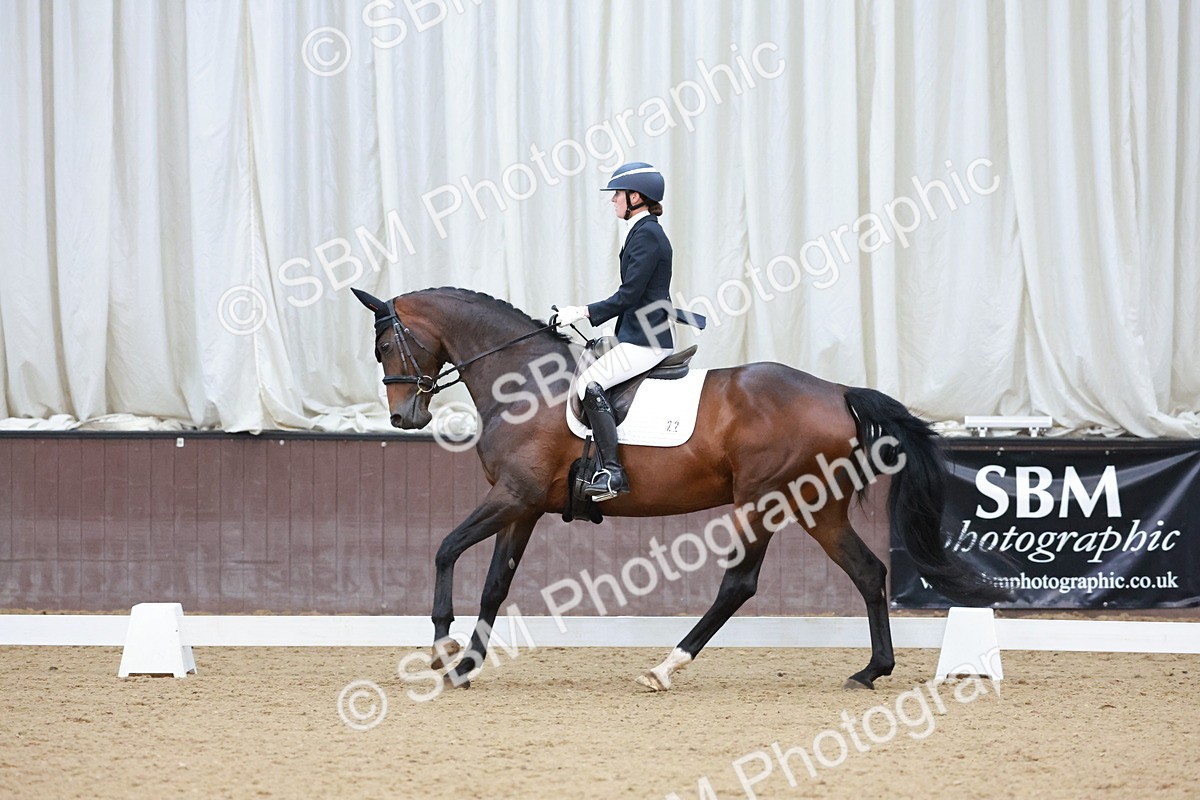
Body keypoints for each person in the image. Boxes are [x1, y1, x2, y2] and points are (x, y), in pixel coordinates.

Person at [554, 161, 675, 501]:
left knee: (589, 385)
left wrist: (581, 312)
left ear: (635, 197)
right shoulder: (641, 231)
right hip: (638, 333)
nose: (613, 201)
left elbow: (630, 295)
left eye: (617, 195)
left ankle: (613, 473)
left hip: (646, 339)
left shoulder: (647, 234)